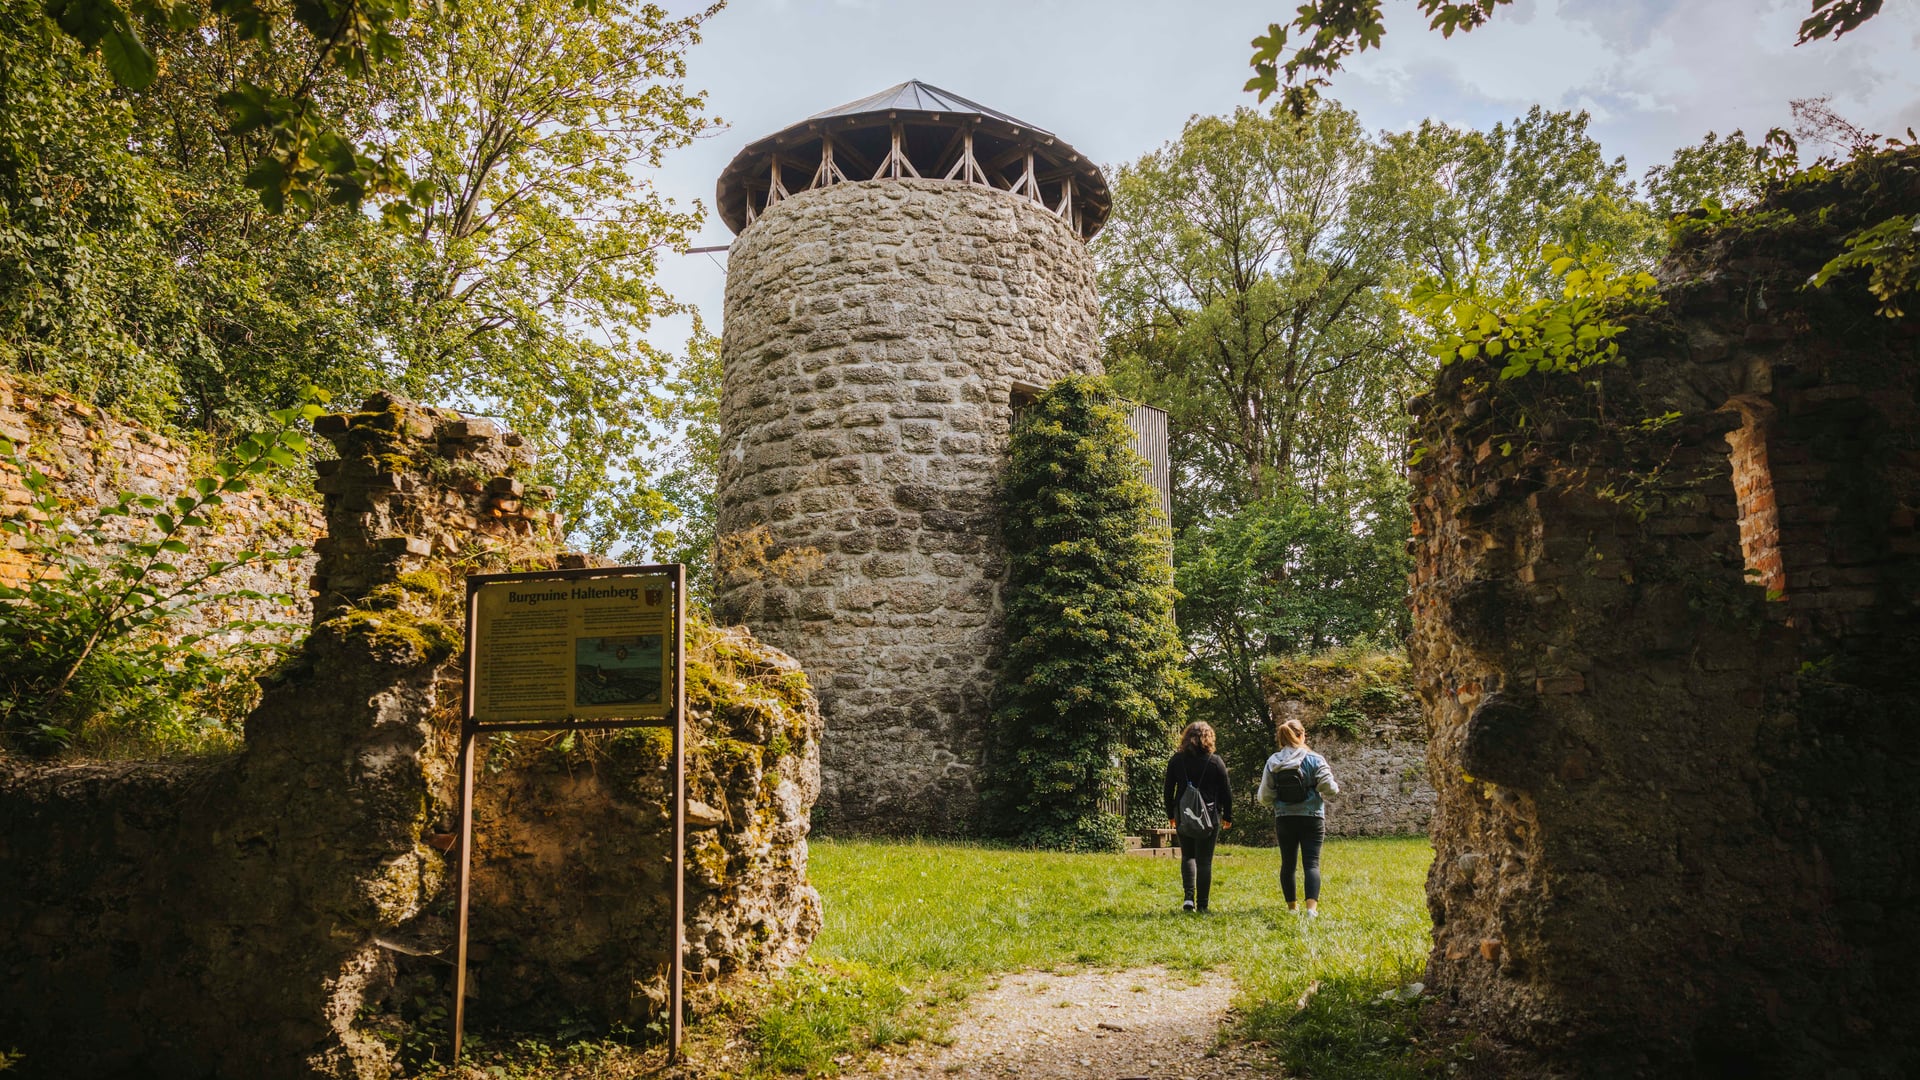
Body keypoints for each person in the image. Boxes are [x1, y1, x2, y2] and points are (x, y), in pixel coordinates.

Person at [1258, 717, 1340, 917]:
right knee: (1311, 863)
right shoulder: (1315, 759)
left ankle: (1292, 908)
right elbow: (1330, 789)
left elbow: (1264, 797)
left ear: (1281, 738)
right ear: (1302, 735)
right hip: (1312, 816)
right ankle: (1311, 910)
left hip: (1285, 818)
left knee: (1288, 864)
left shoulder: (1273, 762)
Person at [1163, 721, 1232, 913]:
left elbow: (1168, 790)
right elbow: (1226, 792)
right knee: (1204, 861)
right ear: (1209, 738)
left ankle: (1188, 899)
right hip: (1209, 816)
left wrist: (1171, 814)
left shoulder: (1176, 760)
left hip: (1183, 815)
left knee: (1188, 856)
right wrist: (1227, 815)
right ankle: (1203, 905)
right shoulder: (1215, 762)